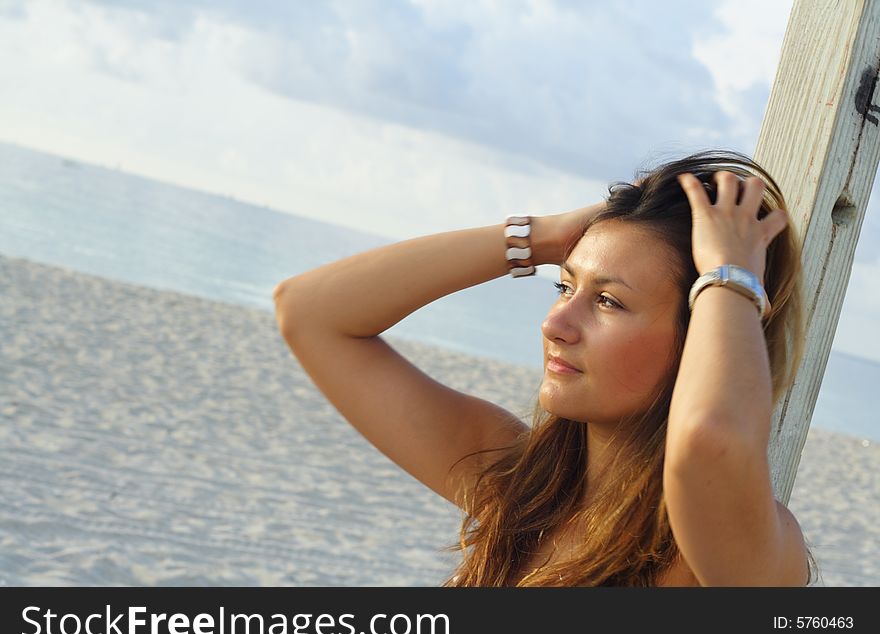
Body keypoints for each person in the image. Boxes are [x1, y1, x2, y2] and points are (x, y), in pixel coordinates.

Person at [273, 148, 819, 587]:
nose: (556, 323)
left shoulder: (727, 557)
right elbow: (309, 311)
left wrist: (729, 276)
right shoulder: (521, 484)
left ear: (697, 339)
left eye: (608, 302)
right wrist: (544, 238)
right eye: (564, 286)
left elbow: (710, 440)